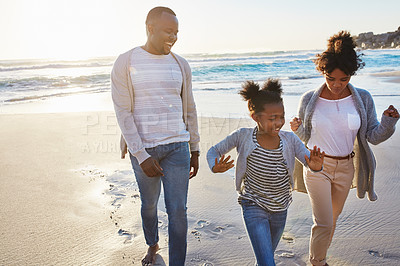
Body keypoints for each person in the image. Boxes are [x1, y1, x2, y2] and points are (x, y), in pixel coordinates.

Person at [290, 31, 399, 266]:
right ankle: (317, 262)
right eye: (331, 78)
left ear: (351, 74)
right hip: (317, 167)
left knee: (333, 218)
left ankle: (318, 255)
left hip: (346, 167)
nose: (337, 85)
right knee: (324, 222)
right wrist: (297, 129)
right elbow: (304, 137)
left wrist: (388, 122)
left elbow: (373, 136)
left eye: (343, 79)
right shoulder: (310, 99)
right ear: (323, 73)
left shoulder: (363, 99)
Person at [111, 6, 200, 266]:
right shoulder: (126, 62)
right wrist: (141, 155)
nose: (173, 37)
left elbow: (191, 107)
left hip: (177, 147)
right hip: (145, 149)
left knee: (178, 212)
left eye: (176, 32)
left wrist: (194, 147)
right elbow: (123, 112)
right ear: (150, 28)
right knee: (149, 205)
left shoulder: (181, 65)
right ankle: (153, 244)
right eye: (167, 31)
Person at [207, 79, 325, 266]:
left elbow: (310, 163)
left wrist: (316, 165)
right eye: (272, 118)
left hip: (280, 209)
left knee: (265, 258)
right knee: (267, 263)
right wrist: (214, 165)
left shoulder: (290, 139)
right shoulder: (243, 136)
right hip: (253, 205)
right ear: (256, 117)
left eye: (281, 116)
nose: (278, 123)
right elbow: (213, 151)